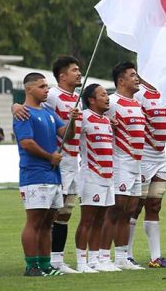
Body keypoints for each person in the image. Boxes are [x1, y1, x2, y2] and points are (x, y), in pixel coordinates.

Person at [13, 56, 84, 273]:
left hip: (53, 176)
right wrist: (50, 157)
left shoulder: (48, 112)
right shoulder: (24, 113)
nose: (47, 90)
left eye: (47, 86)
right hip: (34, 175)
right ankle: (31, 265)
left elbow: (67, 135)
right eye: (42, 86)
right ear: (29, 89)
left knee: (47, 223)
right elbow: (26, 143)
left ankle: (46, 265)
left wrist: (72, 120)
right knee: (34, 222)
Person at [99, 62, 146, 270]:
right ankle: (101, 256)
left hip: (137, 164)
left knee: (130, 211)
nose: (137, 79)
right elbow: (95, 121)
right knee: (114, 211)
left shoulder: (136, 103)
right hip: (120, 164)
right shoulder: (113, 103)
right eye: (132, 75)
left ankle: (121, 257)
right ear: (121, 81)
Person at [129, 78, 166, 268]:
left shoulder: (165, 92)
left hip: (159, 158)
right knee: (135, 206)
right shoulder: (138, 93)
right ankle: (126, 255)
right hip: (142, 158)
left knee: (155, 205)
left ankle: (156, 257)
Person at [74, 84, 115, 273]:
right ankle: (81, 262)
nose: (108, 98)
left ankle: (95, 259)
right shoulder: (83, 116)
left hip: (108, 176)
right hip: (91, 176)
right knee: (87, 220)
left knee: (101, 219)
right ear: (91, 99)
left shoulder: (107, 121)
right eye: (104, 95)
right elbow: (70, 138)